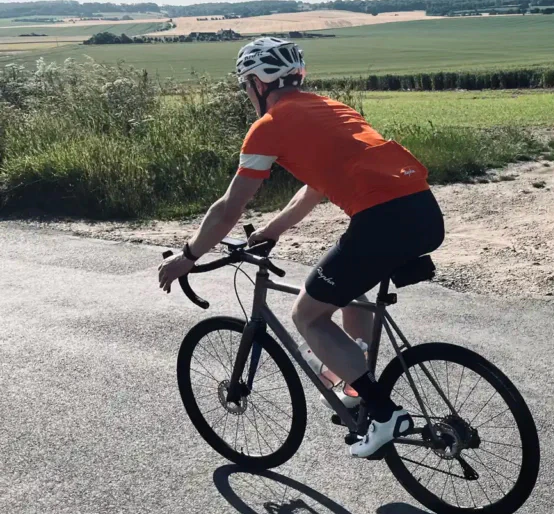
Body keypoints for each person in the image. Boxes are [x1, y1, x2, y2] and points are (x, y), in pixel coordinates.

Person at [157, 36, 444, 457]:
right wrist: (273, 230)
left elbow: (230, 206)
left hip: (382, 221)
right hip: (423, 212)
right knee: (348, 291)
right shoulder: (330, 108)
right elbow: (314, 190)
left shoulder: (269, 126)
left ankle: (383, 413)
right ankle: (355, 387)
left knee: (307, 314)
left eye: (245, 86)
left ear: (257, 83)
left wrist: (188, 256)